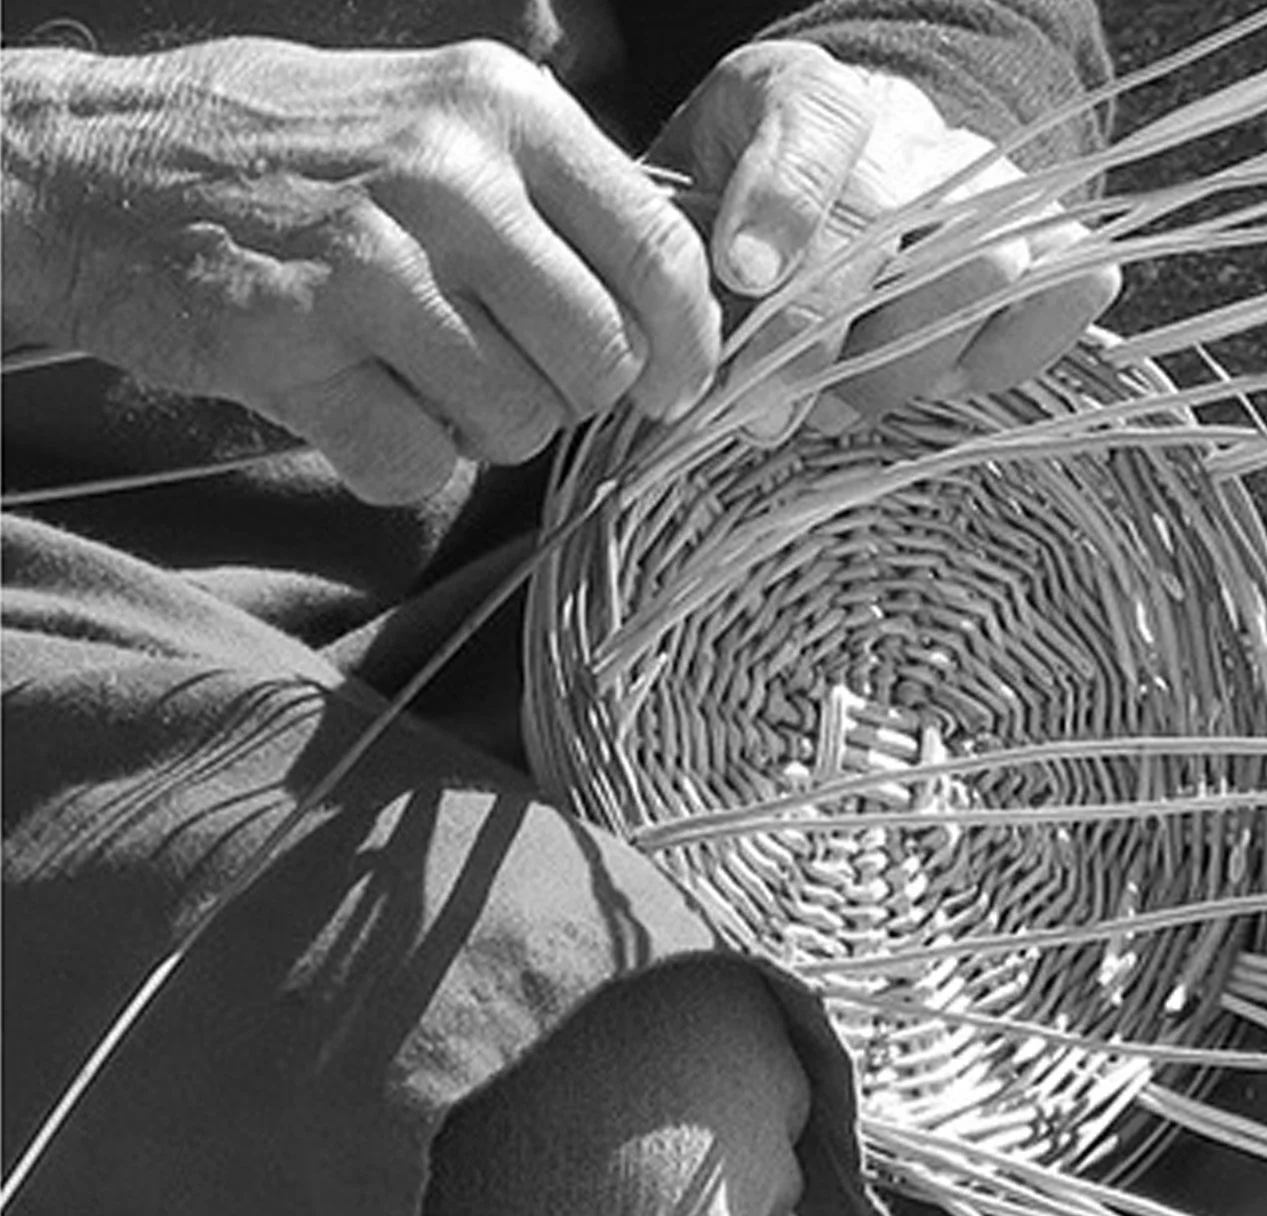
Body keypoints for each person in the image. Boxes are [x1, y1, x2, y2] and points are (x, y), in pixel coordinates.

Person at [2, 2, 1132, 1212]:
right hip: (58, 558)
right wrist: (59, 163)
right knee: (624, 1118)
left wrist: (873, 128)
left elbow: (960, 25)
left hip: (635, 468)